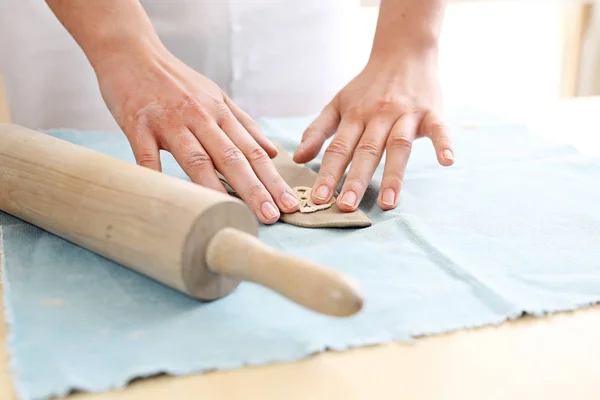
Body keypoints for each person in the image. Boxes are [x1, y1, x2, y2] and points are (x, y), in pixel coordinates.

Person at [0, 0, 453, 225]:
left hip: (297, 19)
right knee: (108, 208)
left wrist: (409, 45)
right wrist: (120, 46)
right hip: (90, 21)